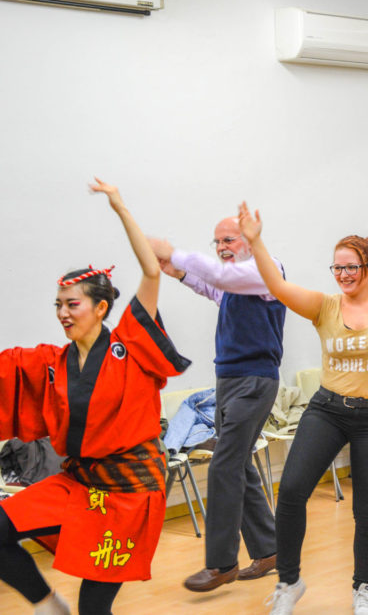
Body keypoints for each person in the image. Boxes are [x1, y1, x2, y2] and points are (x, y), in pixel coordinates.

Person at [241, 181, 368, 615]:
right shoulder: (324, 306)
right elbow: (276, 286)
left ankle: (363, 589)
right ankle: (289, 582)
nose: (344, 275)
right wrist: (256, 242)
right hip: (328, 410)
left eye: (351, 267)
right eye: (337, 268)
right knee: (291, 490)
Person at [0, 179, 191, 615]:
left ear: (100, 308)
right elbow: (5, 368)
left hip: (129, 494)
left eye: (73, 304)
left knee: (95, 610)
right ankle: (48, 605)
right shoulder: (52, 362)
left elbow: (150, 272)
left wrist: (120, 206)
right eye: (58, 305)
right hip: (79, 485)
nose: (63, 313)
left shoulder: (132, 348)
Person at [150, 217, 286, 591]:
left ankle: (221, 563)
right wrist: (176, 272)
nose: (222, 246)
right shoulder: (236, 283)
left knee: (224, 465)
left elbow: (222, 278)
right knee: (238, 464)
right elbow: (213, 288)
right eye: (217, 242)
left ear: (250, 240)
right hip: (227, 382)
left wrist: (173, 252)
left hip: (255, 383)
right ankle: (270, 549)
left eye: (228, 239)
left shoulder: (267, 270)